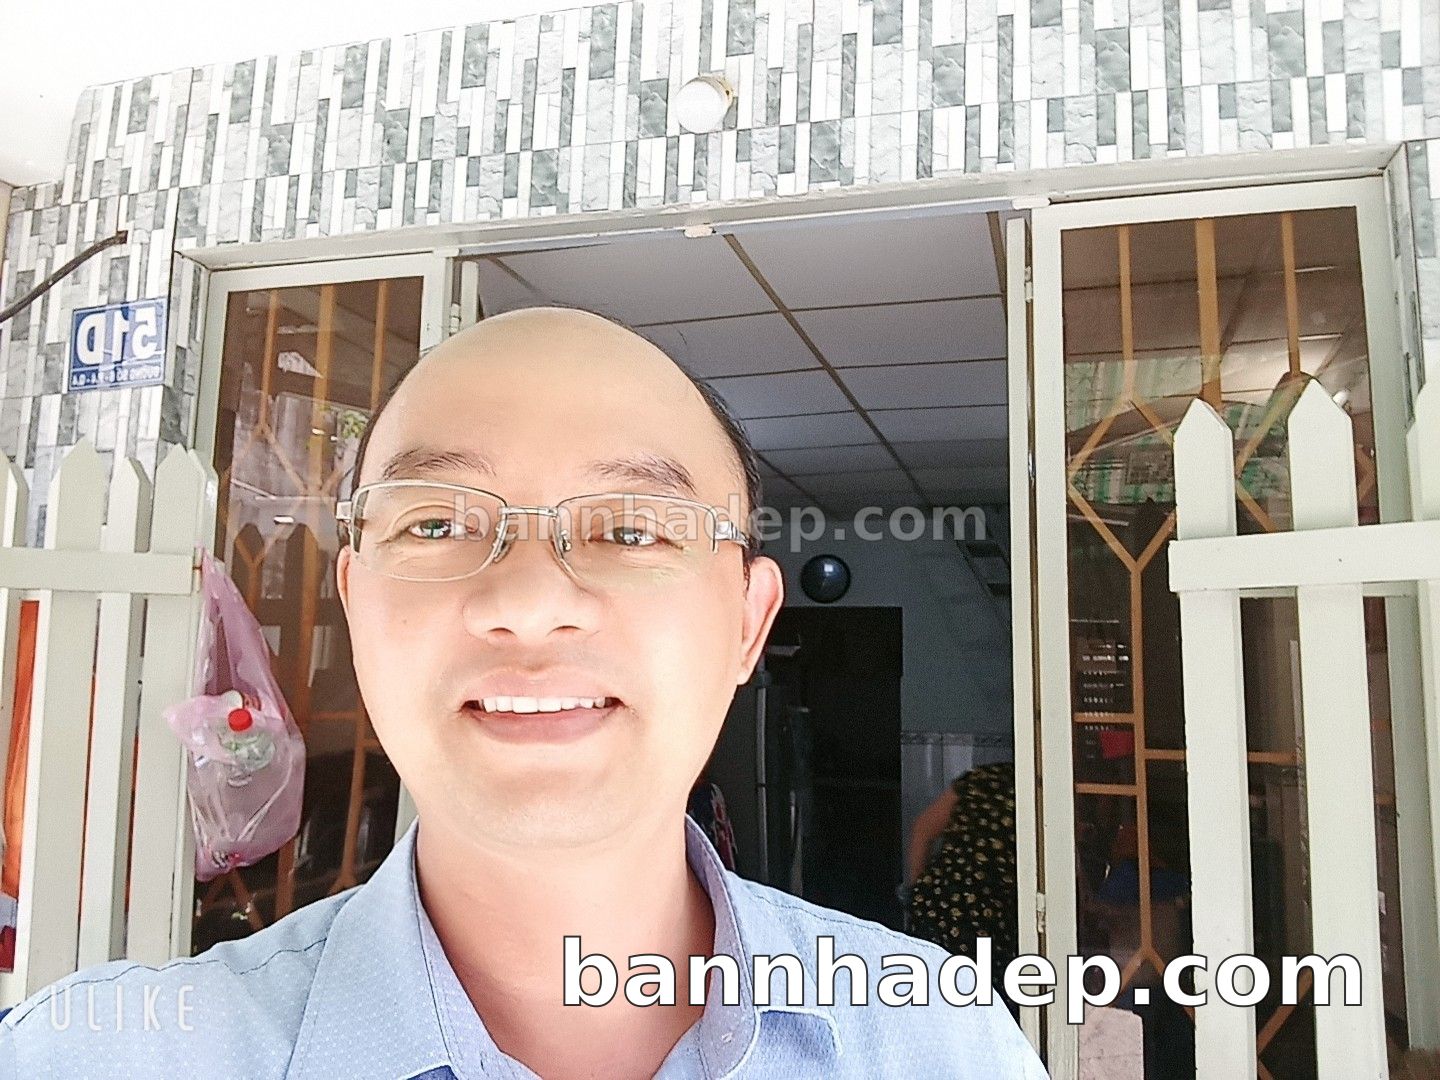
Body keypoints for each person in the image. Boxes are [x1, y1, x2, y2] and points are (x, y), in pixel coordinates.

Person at [0, 308, 1046, 1079]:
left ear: (746, 623)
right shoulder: (96, 1059)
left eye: (631, 528)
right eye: (437, 523)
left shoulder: (941, 1045)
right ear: (357, 602)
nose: (532, 603)